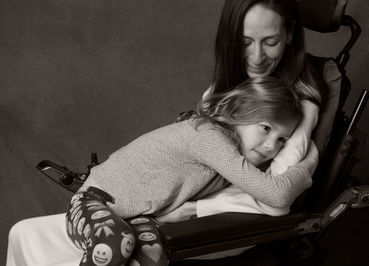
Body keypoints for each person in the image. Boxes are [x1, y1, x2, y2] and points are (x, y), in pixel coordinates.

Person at [62, 76, 315, 266]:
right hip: (93, 202)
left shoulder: (231, 154)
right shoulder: (210, 138)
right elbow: (277, 196)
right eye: (266, 128)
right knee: (116, 244)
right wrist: (305, 168)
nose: (271, 146)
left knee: (154, 257)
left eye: (283, 139)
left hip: (136, 219)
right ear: (237, 113)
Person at [158, 0, 327, 225]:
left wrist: (192, 209)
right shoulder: (226, 88)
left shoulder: (301, 104)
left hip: (230, 223)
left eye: (270, 42)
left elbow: (275, 192)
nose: (257, 58)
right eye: (245, 42)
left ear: (290, 33)